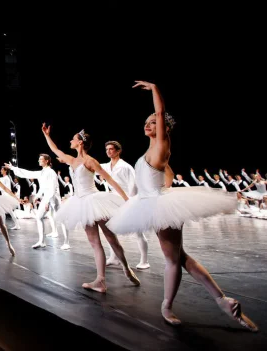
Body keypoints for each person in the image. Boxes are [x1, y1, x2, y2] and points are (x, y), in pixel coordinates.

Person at [107, 81, 255, 330]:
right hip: (150, 202)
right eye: (147, 121)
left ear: (163, 128)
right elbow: (167, 174)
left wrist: (154, 89)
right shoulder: (152, 149)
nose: (148, 124)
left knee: (173, 260)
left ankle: (167, 305)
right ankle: (223, 301)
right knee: (180, 257)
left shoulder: (162, 144)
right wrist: (161, 188)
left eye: (153, 122)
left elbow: (162, 113)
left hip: (158, 205)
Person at [40, 123, 140, 293]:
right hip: (80, 203)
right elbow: (56, 150)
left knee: (110, 237)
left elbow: (109, 179)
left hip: (94, 200)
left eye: (73, 138)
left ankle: (126, 268)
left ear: (80, 142)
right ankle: (101, 280)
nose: (71, 140)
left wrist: (126, 198)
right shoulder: (72, 160)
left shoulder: (89, 161)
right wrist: (46, 135)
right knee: (94, 242)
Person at [99, 141, 150, 270]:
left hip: (128, 199)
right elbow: (90, 166)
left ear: (118, 151)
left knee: (138, 231)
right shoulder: (106, 166)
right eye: (107, 149)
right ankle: (114, 257)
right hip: (114, 199)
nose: (108, 151)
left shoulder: (126, 166)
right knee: (110, 229)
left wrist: (130, 202)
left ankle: (144, 260)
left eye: (111, 149)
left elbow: (133, 185)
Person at [5, 153, 69, 250]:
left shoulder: (51, 172)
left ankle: (66, 242)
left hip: (54, 197)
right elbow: (28, 174)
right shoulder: (41, 172)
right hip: (46, 197)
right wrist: (13, 168)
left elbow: (52, 189)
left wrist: (47, 201)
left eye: (40, 159)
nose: (38, 161)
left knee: (61, 219)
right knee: (39, 216)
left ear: (46, 161)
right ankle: (42, 241)